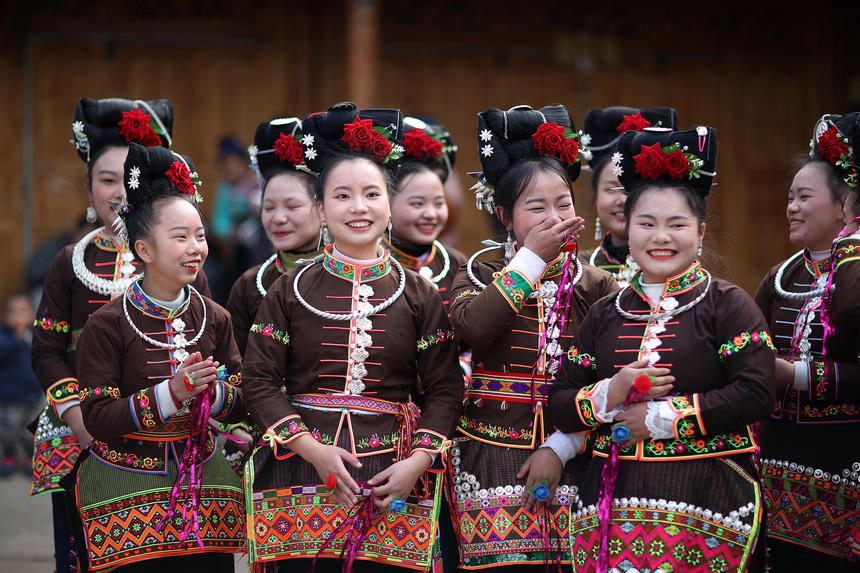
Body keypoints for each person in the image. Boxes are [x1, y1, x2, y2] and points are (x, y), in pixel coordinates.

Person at [241, 102, 465, 572]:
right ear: (322, 210)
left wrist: (417, 463)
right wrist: (312, 449)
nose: (358, 208)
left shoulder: (419, 294)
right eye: (342, 196)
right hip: (298, 471)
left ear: (390, 203)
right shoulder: (289, 289)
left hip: (390, 479)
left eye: (372, 194)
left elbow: (445, 388)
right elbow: (259, 379)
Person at [550, 126, 775, 572]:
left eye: (677, 225)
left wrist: (660, 418)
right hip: (611, 503)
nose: (661, 237)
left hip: (707, 502)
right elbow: (559, 404)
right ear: (627, 228)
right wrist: (609, 394)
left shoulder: (726, 304)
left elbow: (757, 392)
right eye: (647, 224)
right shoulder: (605, 312)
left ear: (701, 232)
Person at [447, 104, 617, 569]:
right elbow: (476, 327)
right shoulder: (479, 272)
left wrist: (564, 444)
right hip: (489, 450)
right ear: (504, 215)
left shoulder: (598, 284)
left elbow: (615, 371)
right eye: (535, 207)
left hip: (577, 450)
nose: (553, 217)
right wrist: (529, 262)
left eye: (563, 204)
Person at [30, 97, 185, 573]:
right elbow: (47, 349)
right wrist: (79, 419)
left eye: (128, 180)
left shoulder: (180, 256)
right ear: (88, 187)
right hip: (82, 436)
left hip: (165, 436)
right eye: (106, 180)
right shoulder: (69, 261)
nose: (119, 193)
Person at [74, 142, 245, 572]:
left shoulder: (215, 317)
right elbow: (96, 416)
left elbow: (245, 394)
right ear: (145, 250)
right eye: (180, 237)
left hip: (206, 486)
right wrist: (170, 393)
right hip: (124, 491)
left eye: (200, 235)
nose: (195, 247)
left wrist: (215, 394)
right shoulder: (108, 325)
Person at [755, 112, 860, 570]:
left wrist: (791, 373)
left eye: (804, 196)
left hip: (841, 455)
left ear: (845, 206)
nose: (791, 207)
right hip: (776, 456)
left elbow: (853, 309)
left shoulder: (853, 271)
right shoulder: (782, 276)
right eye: (789, 197)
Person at [226, 117, 325, 356]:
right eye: (269, 208)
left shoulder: (349, 278)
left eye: (292, 207)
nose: (278, 218)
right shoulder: (249, 286)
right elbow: (235, 367)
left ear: (323, 209)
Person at [579, 107, 678, 286]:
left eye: (632, 189)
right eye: (611, 189)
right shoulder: (576, 269)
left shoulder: (677, 267)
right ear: (596, 196)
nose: (623, 200)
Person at [382, 116, 466, 314]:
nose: (430, 214)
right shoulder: (372, 263)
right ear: (386, 203)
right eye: (417, 203)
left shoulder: (457, 264)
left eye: (439, 203)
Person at [0, 294, 42, 476]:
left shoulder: (35, 336)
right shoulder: (4, 337)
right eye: (13, 312)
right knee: (8, 430)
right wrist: (15, 339)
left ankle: (28, 457)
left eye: (23, 311)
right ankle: (9, 455)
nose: (18, 316)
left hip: (32, 394)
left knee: (29, 432)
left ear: (32, 315)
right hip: (10, 396)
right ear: (5, 317)